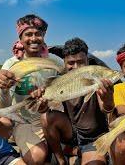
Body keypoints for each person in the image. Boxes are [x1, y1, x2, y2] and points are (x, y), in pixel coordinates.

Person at [32, 37, 114, 165]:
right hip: (72, 133)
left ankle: (79, 152)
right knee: (45, 117)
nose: (76, 67)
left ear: (87, 60)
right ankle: (61, 160)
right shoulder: (60, 80)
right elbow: (45, 108)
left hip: (93, 138)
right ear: (64, 62)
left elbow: (106, 108)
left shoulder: (98, 78)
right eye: (71, 63)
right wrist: (41, 104)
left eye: (81, 62)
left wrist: (108, 99)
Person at [0, 14, 62, 164]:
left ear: (43, 36)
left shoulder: (56, 62)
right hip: (25, 121)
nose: (33, 38)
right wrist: (3, 89)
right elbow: (1, 105)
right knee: (37, 156)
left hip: (52, 118)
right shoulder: (11, 64)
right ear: (20, 38)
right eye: (28, 34)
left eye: (38, 34)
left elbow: (68, 86)